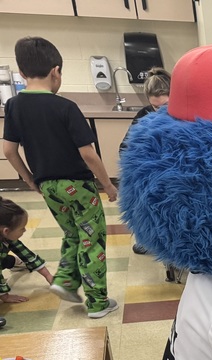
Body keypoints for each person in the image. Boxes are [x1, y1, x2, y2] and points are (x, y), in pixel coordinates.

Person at [2, 37, 119, 319]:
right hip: (78, 186)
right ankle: (97, 303)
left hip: (48, 186)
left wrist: (30, 180)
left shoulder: (14, 105)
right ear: (56, 71)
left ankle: (66, 282)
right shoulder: (65, 107)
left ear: (22, 73)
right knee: (92, 240)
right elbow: (88, 155)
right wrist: (107, 184)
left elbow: (9, 150)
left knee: (73, 234)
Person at [119, 67, 172, 258]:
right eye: (155, 107)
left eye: (165, 105)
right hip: (151, 173)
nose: (160, 111)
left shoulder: (185, 114)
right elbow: (125, 148)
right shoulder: (144, 115)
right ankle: (147, 239)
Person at [0, 196, 55, 329]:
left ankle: (12, 262)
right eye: (22, 228)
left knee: (5, 258)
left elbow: (27, 254)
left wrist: (48, 276)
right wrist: (4, 296)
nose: (25, 231)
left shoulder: (7, 237)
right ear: (6, 231)